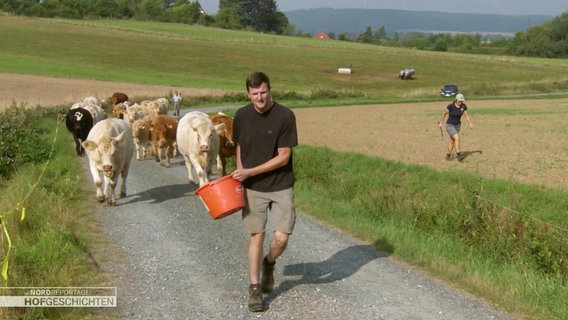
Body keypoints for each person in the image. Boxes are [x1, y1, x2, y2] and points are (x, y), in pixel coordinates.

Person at [231, 72, 298, 312]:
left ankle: (269, 262)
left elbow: (284, 157)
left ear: (270, 90)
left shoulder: (285, 116)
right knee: (256, 236)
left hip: (281, 184)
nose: (260, 97)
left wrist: (250, 171)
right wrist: (241, 172)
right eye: (255, 93)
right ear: (248, 93)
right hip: (252, 188)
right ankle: (255, 288)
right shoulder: (240, 115)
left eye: (264, 92)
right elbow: (239, 144)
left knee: (282, 238)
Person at [438, 93, 473, 161]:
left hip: (457, 126)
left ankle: (448, 155)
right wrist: (441, 123)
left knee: (453, 140)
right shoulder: (451, 106)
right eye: (459, 101)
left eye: (462, 101)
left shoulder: (463, 107)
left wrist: (470, 123)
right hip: (449, 125)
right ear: (456, 100)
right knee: (457, 137)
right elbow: (444, 113)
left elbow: (466, 115)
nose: (461, 102)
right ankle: (458, 154)